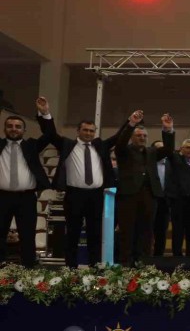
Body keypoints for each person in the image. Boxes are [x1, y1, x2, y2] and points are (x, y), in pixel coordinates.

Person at [37, 96, 125, 268]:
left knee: (95, 233)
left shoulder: (100, 146)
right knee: (73, 233)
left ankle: (94, 267)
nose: (89, 133)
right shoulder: (67, 144)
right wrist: (45, 113)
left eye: (92, 131)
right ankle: (71, 268)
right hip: (74, 194)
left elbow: (117, 137)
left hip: (96, 195)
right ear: (78, 131)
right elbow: (50, 134)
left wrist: (131, 122)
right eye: (85, 130)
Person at [114, 111, 175, 266]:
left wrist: (168, 129)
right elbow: (120, 142)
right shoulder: (123, 151)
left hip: (149, 195)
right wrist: (131, 124)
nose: (142, 138)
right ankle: (126, 264)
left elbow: (168, 150)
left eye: (144, 136)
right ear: (132, 137)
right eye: (138, 135)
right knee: (127, 231)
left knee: (147, 231)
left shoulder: (152, 152)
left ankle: (144, 264)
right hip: (128, 196)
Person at [0, 101, 53, 267]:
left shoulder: (31, 146)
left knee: (27, 235)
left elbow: (50, 134)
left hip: (26, 198)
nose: (14, 129)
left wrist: (44, 114)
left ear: (24, 130)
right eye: (10, 126)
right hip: (2, 197)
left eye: (18, 126)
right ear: (4, 129)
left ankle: (28, 270)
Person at [152, 140, 171, 256]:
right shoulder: (148, 163)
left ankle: (158, 257)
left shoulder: (170, 163)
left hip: (165, 203)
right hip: (150, 200)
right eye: (158, 148)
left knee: (162, 232)